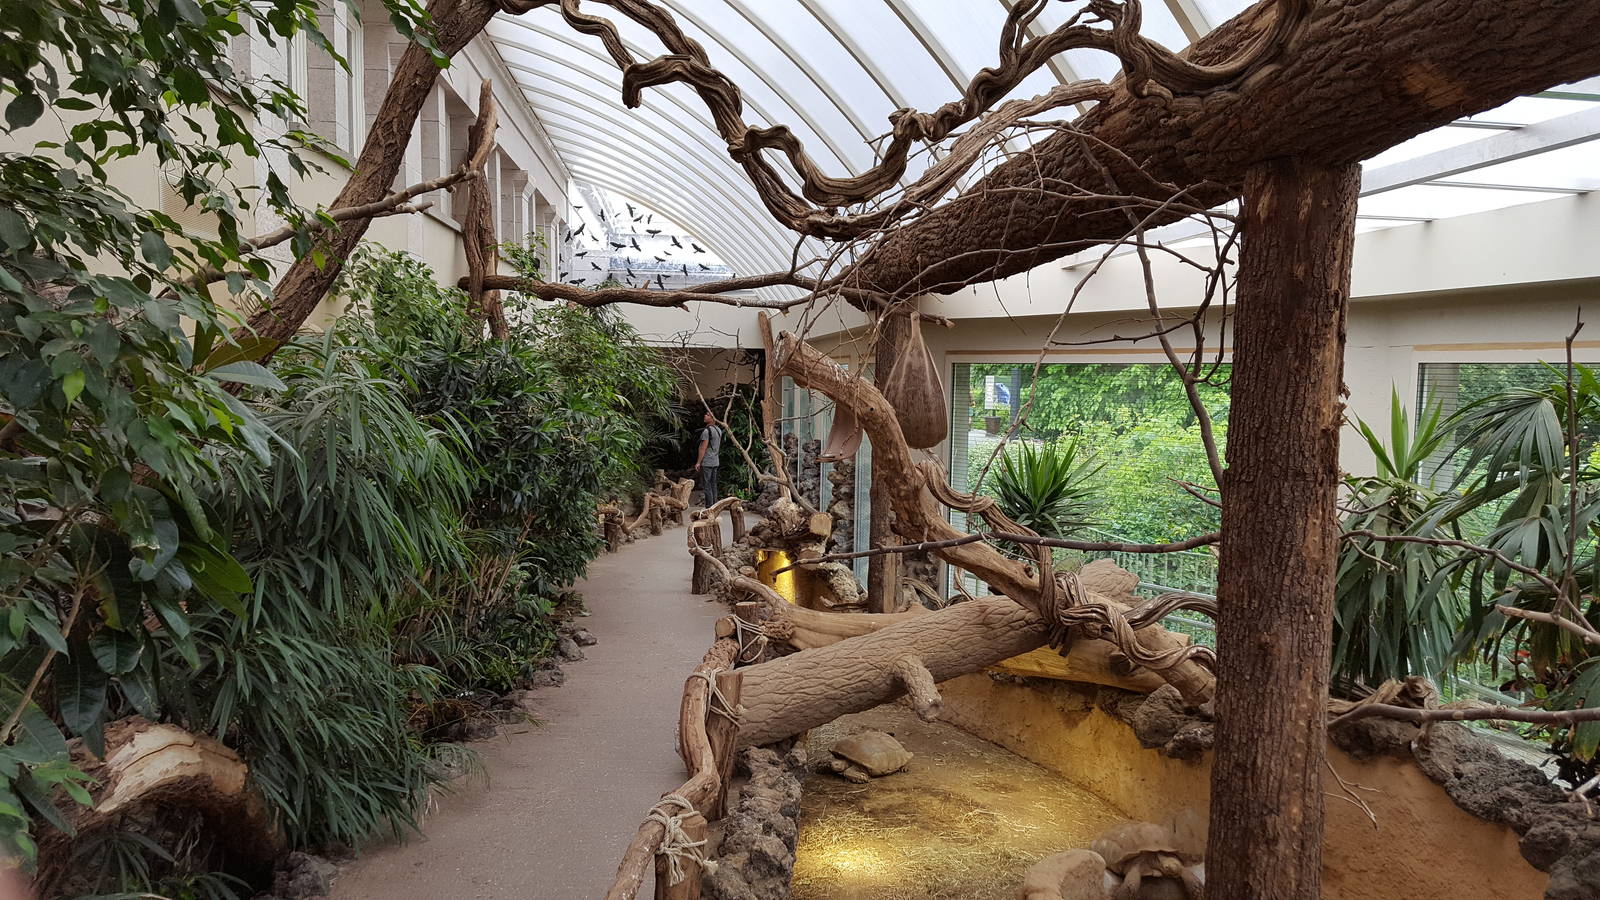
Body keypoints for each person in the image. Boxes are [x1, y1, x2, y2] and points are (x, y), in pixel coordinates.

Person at [694, 410, 722, 507]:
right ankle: (715, 506)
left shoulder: (707, 431)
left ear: (713, 418)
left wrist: (698, 462)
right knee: (713, 484)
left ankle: (709, 507)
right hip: (715, 461)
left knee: (707, 485)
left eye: (707, 415)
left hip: (707, 462)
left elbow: (703, 448)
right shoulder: (719, 430)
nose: (705, 416)